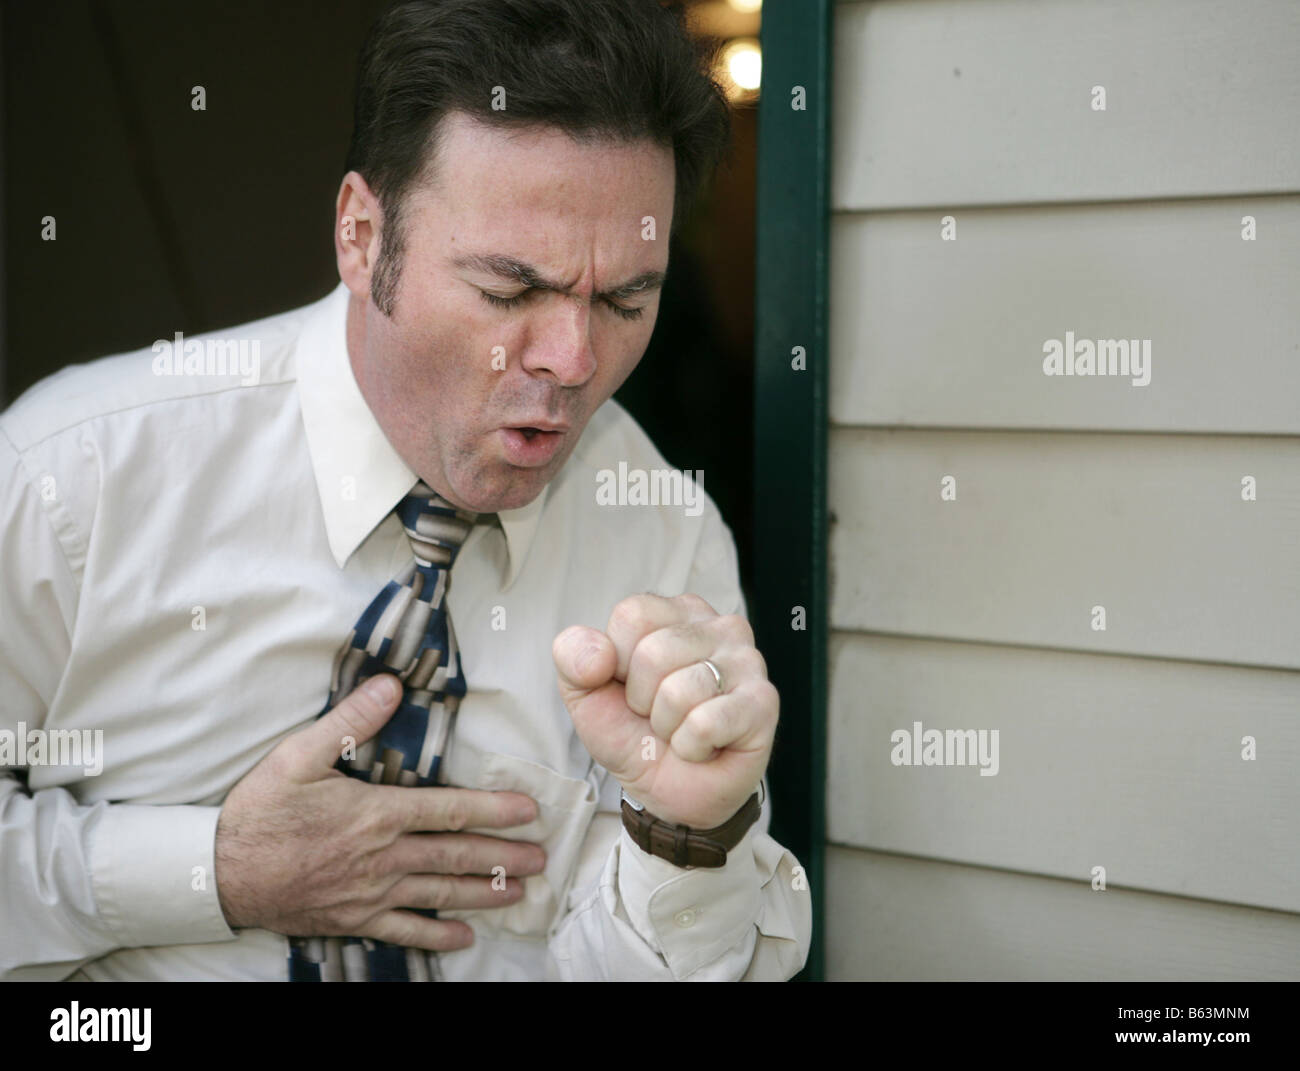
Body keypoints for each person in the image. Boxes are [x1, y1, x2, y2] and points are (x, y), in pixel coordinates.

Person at [0, 0, 811, 981]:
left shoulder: (664, 537)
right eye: (510, 290)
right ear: (359, 234)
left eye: (624, 300)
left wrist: (686, 832)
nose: (570, 360)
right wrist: (211, 871)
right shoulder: (73, 477)